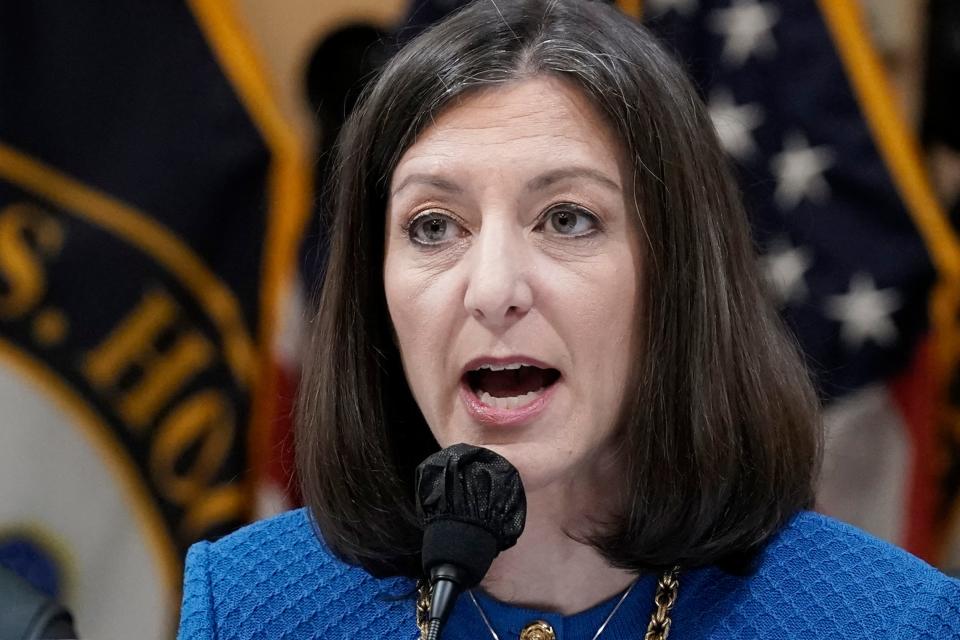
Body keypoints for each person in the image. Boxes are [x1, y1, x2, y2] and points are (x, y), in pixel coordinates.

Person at [177, 1, 960, 638]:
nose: (491, 290)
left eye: (566, 219)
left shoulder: (888, 620)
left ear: (677, 275)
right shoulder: (249, 606)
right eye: (433, 226)